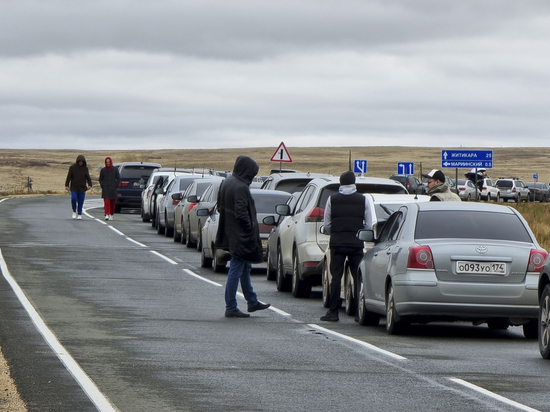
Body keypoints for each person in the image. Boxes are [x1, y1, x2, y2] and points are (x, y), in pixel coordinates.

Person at [215, 155, 271, 318]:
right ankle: (231, 306)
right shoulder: (240, 187)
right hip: (241, 235)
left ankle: (252, 301)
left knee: (244, 267)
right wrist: (249, 228)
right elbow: (241, 213)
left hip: (231, 232)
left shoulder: (227, 182)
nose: (252, 177)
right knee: (236, 268)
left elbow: (220, 206)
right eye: (252, 173)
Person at [320, 171, 372, 322]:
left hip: (337, 243)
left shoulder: (332, 199)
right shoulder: (363, 199)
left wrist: (335, 233)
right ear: (354, 182)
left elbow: (327, 223)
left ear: (341, 183)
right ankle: (358, 312)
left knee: (336, 277)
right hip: (356, 243)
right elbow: (368, 224)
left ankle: (333, 312)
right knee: (357, 277)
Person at [65, 154, 92, 219]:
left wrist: (90, 184)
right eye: (79, 161)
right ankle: (74, 211)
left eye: (82, 161)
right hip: (74, 187)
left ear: (84, 162)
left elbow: (88, 177)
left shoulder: (85, 168)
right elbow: (68, 177)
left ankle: (79, 214)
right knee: (73, 199)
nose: (81, 162)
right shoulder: (72, 168)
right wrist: (67, 185)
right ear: (77, 161)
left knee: (80, 201)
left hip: (82, 187)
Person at [99, 157, 120, 221]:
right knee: (107, 202)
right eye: (106, 162)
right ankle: (107, 214)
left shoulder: (115, 169)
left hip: (113, 189)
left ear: (111, 162)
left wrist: (116, 185)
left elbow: (118, 178)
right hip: (106, 189)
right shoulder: (103, 170)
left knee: (112, 203)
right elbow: (100, 179)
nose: (108, 163)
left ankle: (111, 214)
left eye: (109, 162)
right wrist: (103, 185)